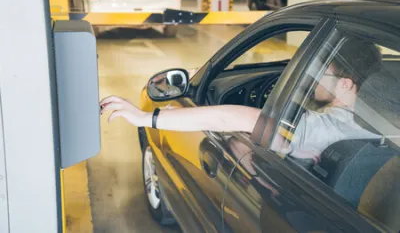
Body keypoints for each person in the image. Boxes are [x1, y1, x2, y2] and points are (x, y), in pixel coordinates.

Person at [100, 37, 382, 160]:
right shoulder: (379, 120)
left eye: (322, 74)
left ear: (346, 84)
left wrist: (146, 117)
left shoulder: (323, 128)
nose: (311, 80)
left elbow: (228, 117)